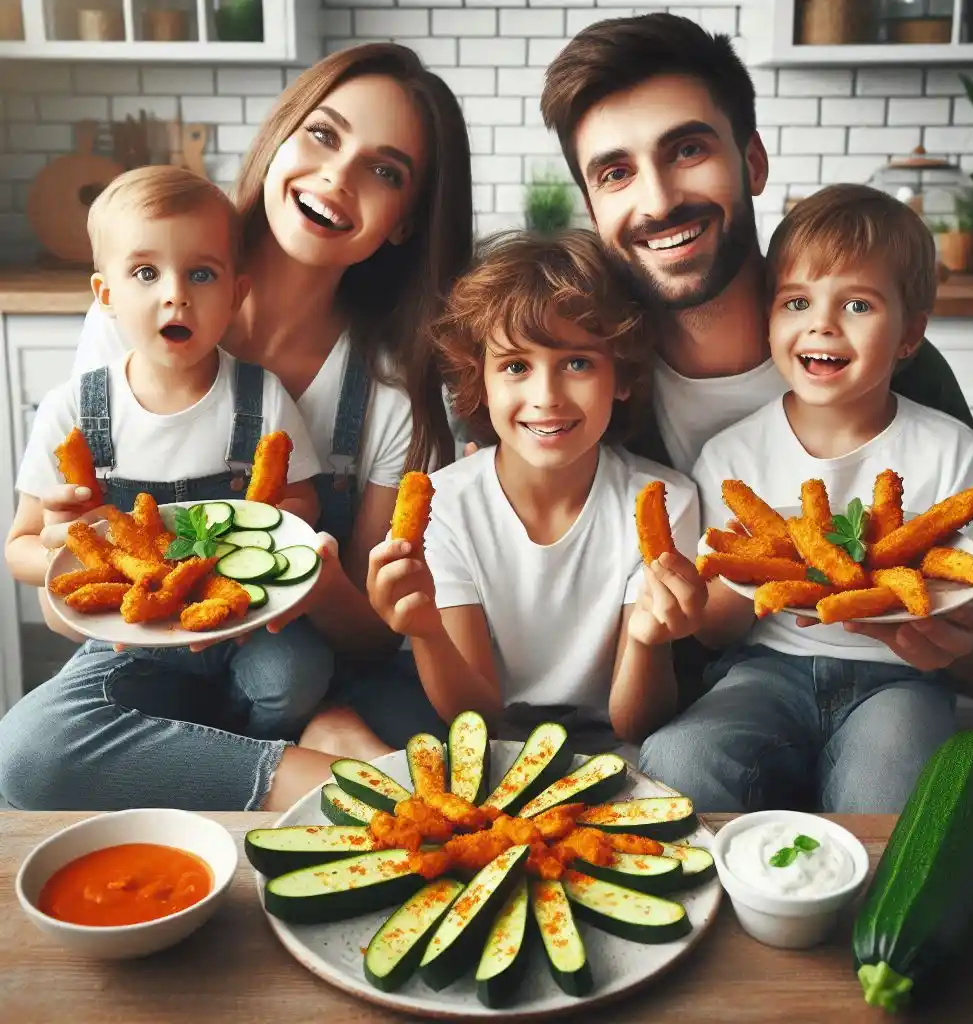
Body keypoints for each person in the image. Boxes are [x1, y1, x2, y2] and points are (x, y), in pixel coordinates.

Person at [0, 44, 473, 812]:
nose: (337, 178)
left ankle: (296, 743)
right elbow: (56, 580)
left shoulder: (386, 393)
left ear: (404, 221)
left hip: (296, 666)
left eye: (384, 172)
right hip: (154, 659)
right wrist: (71, 559)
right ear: (278, 136)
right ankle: (319, 777)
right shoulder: (124, 315)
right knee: (26, 758)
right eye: (322, 135)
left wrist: (309, 568)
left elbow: (368, 640)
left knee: (309, 683)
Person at [538, 12, 973, 703]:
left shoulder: (892, 363)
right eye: (616, 173)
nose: (659, 200)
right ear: (591, 208)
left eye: (688, 150)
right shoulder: (592, 383)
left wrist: (967, 636)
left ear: (752, 163)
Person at [639, 184, 973, 813]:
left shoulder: (947, 450)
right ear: (769, 320)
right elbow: (717, 626)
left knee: (887, 793)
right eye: (797, 301)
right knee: (679, 759)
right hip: (765, 669)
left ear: (910, 335)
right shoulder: (732, 458)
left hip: (901, 680)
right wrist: (707, 597)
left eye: (858, 304)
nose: (822, 322)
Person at [3, 165, 338, 804]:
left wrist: (273, 515)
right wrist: (58, 541)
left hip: (244, 623)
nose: (175, 295)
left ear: (237, 291)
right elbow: (18, 546)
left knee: (297, 675)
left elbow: (304, 502)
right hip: (133, 637)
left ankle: (221, 749)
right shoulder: (73, 411)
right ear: (105, 295)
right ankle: (212, 758)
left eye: (201, 274)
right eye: (146, 273)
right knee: (23, 753)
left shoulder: (259, 399)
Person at [366, 230, 706, 752]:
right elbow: (476, 718)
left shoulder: (666, 502)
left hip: (614, 744)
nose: (546, 397)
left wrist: (646, 637)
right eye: (516, 366)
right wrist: (426, 632)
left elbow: (635, 724)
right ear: (480, 379)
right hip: (488, 739)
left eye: (577, 363)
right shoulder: (444, 506)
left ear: (621, 376)